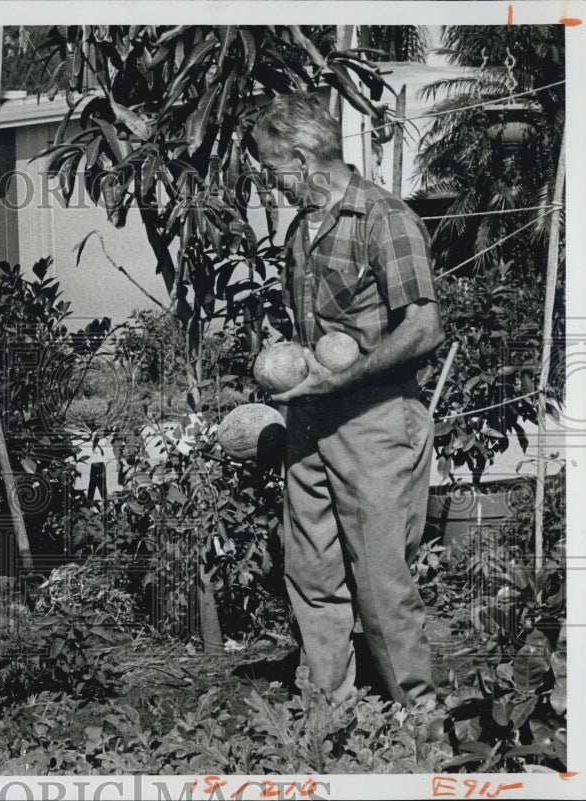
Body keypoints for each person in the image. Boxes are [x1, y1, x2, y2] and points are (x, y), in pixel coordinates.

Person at [251, 93, 444, 707]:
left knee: (382, 583)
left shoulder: (385, 219)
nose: (270, 182)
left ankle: (422, 726)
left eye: (274, 168)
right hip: (310, 418)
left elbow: (423, 329)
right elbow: (317, 338)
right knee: (309, 572)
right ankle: (329, 713)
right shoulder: (300, 231)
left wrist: (349, 374)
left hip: (376, 421)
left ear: (305, 159)